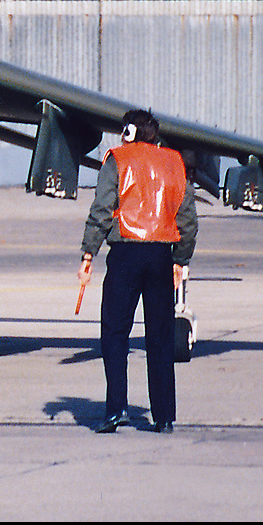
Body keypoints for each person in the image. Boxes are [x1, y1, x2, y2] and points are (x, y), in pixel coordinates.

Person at [78, 109, 197, 434]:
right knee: (160, 337)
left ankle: (116, 409)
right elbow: (187, 218)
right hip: (161, 256)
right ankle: (164, 417)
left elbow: (102, 210)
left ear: (128, 132)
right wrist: (180, 259)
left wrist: (89, 252)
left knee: (115, 333)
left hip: (125, 255)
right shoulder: (174, 161)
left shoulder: (117, 159)